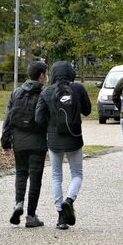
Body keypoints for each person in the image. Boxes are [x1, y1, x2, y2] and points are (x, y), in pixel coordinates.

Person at [35, 61, 91, 230]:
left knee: (56, 176)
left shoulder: (46, 92)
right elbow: (87, 111)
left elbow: (38, 118)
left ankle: (61, 216)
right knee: (77, 174)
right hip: (74, 138)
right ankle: (70, 200)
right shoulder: (78, 88)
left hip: (54, 140)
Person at [1, 62, 48, 228]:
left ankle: (18, 203)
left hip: (19, 142)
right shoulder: (43, 94)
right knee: (35, 179)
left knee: (21, 174)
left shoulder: (16, 93)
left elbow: (8, 119)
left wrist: (5, 141)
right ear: (42, 76)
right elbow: (44, 120)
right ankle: (30, 215)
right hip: (38, 143)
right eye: (46, 74)